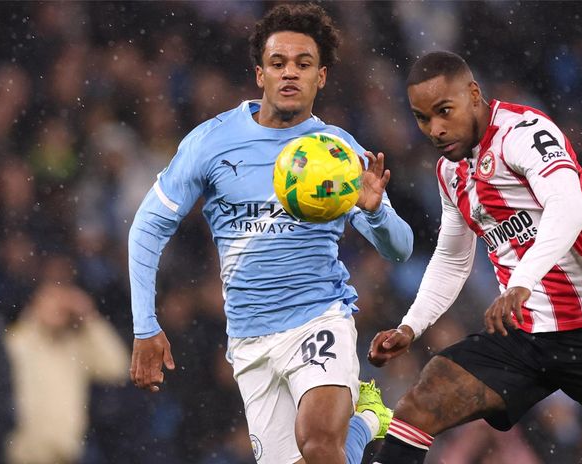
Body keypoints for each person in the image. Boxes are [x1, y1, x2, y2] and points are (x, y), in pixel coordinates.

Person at [368, 51, 582, 464]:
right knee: (420, 404)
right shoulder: (450, 172)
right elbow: (452, 258)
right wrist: (411, 325)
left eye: (444, 111)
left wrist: (521, 282)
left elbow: (569, 208)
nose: (435, 129)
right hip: (522, 333)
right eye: (422, 118)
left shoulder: (524, 132)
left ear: (474, 94)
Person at [128, 4, 411, 464]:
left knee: (318, 443)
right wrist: (145, 326)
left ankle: (352, 427)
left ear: (321, 76)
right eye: (278, 63)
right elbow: (148, 228)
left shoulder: (339, 153)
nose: (290, 73)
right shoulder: (211, 142)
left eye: (303, 63)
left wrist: (375, 210)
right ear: (260, 75)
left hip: (318, 317)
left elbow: (400, 249)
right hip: (249, 337)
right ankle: (365, 422)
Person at [5, 283, 129, 464]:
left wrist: (90, 318)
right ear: (34, 304)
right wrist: (34, 317)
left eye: (63, 302)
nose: (58, 307)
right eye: (51, 299)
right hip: (21, 456)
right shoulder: (18, 344)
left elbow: (117, 368)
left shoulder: (75, 347)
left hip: (65, 456)